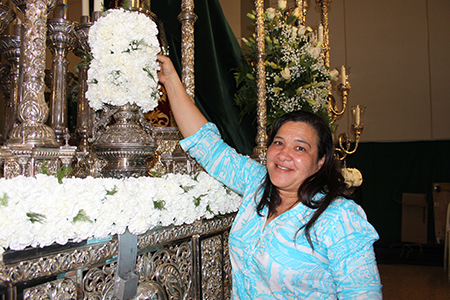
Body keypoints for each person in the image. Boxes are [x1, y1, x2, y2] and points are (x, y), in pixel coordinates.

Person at [157, 54, 382, 299]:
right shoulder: (257, 183)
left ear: (320, 161)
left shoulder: (340, 218)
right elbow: (207, 145)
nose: (284, 154)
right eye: (279, 143)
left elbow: (362, 294)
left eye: (300, 148)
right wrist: (170, 80)